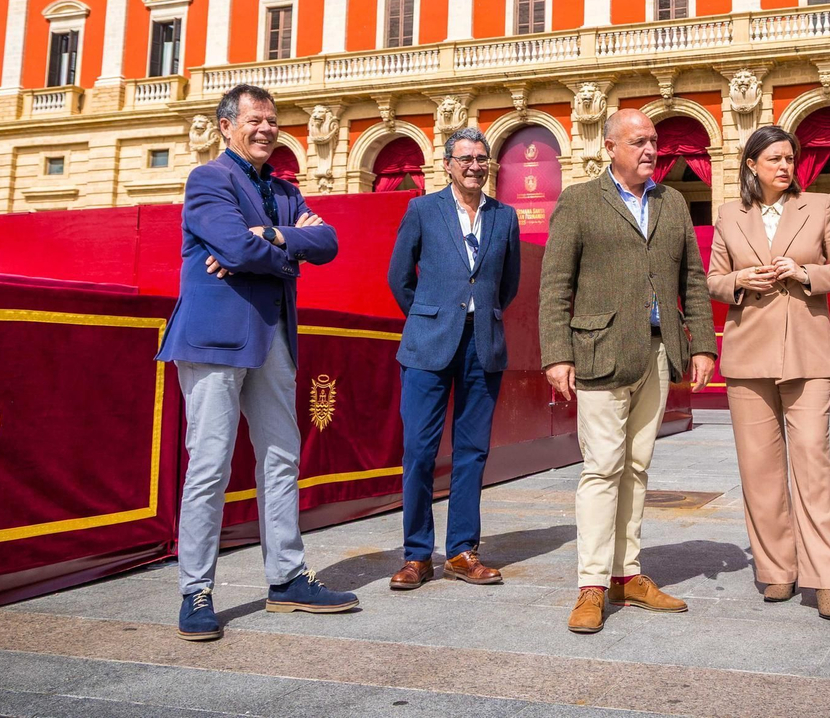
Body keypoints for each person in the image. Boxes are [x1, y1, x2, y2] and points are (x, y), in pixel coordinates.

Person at [157, 83, 355, 643]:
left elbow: (328, 243)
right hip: (215, 341)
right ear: (226, 126)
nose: (267, 128)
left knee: (281, 459)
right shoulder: (209, 179)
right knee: (210, 466)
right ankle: (196, 589)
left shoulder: (285, 190)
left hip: (272, 339)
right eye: (255, 120)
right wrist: (286, 254)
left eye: (272, 120)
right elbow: (235, 247)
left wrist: (268, 236)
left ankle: (287, 578)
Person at [539, 108, 717, 634]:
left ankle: (626, 575)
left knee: (637, 467)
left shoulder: (672, 202)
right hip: (600, 352)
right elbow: (555, 285)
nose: (650, 150)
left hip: (659, 352)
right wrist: (557, 354)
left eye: (654, 141)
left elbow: (692, 279)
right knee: (602, 468)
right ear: (610, 147)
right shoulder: (578, 200)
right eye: (638, 141)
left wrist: (703, 345)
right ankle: (591, 585)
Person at [705, 125, 830, 621]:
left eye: (790, 158)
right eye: (774, 158)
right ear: (752, 165)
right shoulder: (728, 214)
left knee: (813, 462)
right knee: (760, 470)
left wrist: (806, 273)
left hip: (807, 353)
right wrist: (739, 280)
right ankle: (777, 569)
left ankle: (827, 578)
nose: (785, 166)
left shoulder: (819, 205)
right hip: (747, 352)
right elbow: (712, 279)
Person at [385, 126, 522, 590]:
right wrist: (430, 317)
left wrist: (479, 313)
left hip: (483, 343)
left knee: (472, 452)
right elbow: (399, 277)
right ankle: (416, 554)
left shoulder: (505, 216)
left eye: (481, 158)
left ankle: (463, 551)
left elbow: (508, 284)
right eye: (465, 159)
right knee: (419, 452)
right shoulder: (422, 210)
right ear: (447, 165)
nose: (474, 166)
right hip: (427, 345)